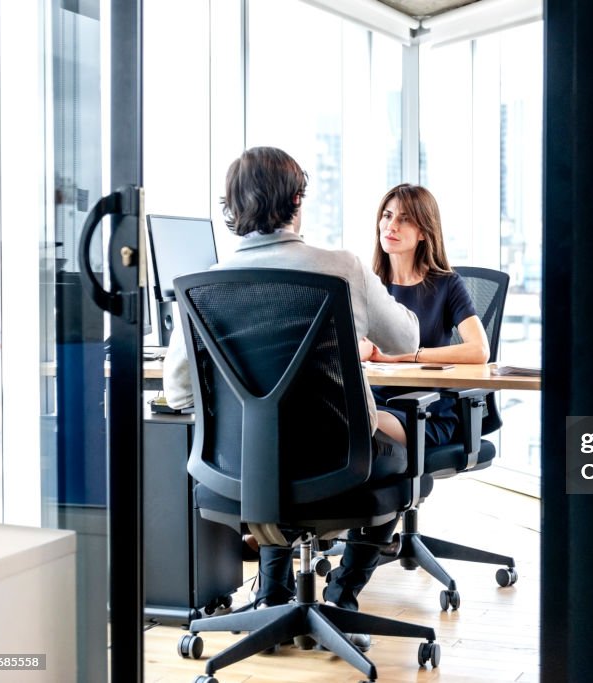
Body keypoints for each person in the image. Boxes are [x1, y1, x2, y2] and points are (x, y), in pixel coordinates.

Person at [162, 148, 419, 643]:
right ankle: (343, 592)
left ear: (233, 205)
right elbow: (406, 340)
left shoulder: (201, 283)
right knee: (406, 447)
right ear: (298, 199)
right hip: (342, 463)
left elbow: (177, 392)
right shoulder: (343, 268)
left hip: (234, 468)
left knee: (275, 462)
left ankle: (272, 594)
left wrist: (236, 428)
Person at [321, 183, 490, 612]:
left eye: (403, 218)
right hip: (373, 400)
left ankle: (334, 572)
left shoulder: (446, 286)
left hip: (427, 410)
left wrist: (408, 356)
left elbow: (478, 350)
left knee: (358, 425)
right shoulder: (369, 285)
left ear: (424, 232)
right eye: (386, 215)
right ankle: (323, 557)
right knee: (350, 434)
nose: (390, 225)